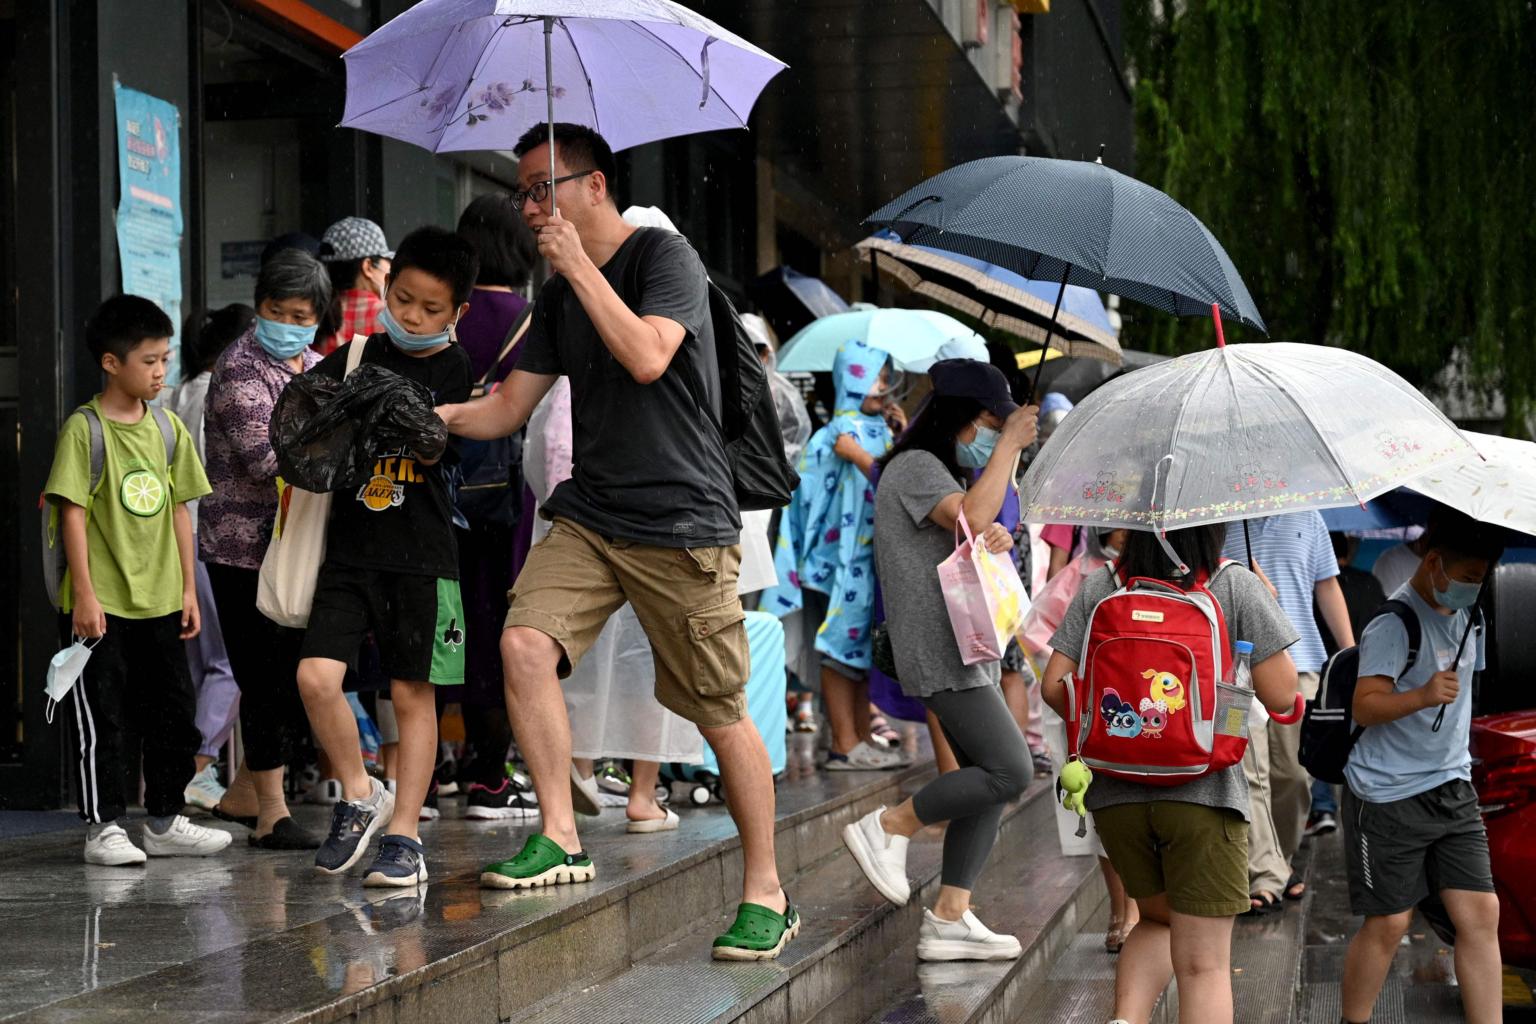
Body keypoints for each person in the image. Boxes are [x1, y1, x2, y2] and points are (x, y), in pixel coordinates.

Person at [436, 121, 795, 961]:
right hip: (593, 514)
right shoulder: (557, 295)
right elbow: (507, 410)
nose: (530, 207)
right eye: (521, 193)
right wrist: (429, 415)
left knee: (718, 711)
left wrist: (579, 269)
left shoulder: (665, 259)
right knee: (523, 643)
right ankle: (561, 836)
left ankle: (768, 892)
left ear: (594, 186)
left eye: (542, 188)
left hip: (681, 520)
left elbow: (645, 355)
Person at [1041, 525, 1300, 1024]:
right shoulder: (1234, 583)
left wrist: (1123, 732)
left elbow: (1056, 687)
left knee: (1156, 920)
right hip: (1205, 796)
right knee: (1204, 966)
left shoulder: (1106, 583)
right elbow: (1283, 695)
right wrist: (1263, 603)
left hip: (1116, 798)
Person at [295, 226, 476, 887]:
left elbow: (440, 449)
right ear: (385, 285)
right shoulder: (356, 353)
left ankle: (405, 835)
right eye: (403, 300)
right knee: (316, 677)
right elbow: (304, 421)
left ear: (457, 312)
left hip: (423, 557)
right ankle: (359, 792)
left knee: (411, 693)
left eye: (431, 309)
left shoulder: (456, 368)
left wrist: (404, 415)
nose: (413, 317)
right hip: (349, 552)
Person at [842, 359, 1039, 961]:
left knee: (987, 776)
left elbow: (973, 525)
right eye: (990, 423)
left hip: (963, 642)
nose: (994, 434)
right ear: (963, 416)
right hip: (937, 645)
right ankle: (890, 825)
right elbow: (972, 515)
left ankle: (951, 914)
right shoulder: (913, 466)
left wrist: (994, 535)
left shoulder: (939, 471)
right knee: (1012, 770)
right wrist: (1009, 446)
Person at [44, 294, 230, 864]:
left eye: (165, 359)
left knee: (172, 713)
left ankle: (166, 819)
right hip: (101, 604)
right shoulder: (85, 430)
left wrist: (186, 590)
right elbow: (71, 513)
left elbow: (180, 511)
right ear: (111, 362)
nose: (160, 371)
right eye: (149, 361)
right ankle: (103, 827)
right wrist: (85, 595)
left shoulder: (168, 428)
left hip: (161, 601)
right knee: (103, 717)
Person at [1340, 513, 1503, 1024]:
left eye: (1481, 579)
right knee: (1389, 922)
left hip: (1451, 785)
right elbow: (1365, 706)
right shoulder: (1394, 623)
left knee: (1481, 914)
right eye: (1469, 577)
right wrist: (1423, 695)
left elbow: (1465, 699)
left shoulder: (1471, 617)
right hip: (1386, 794)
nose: (1474, 588)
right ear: (1434, 563)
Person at [201, 249, 331, 850]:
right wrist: (337, 447)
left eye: (300, 315)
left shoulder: (319, 365)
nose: (287, 323)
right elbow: (266, 458)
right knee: (263, 677)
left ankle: (243, 793)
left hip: (299, 546)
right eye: (277, 310)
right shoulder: (239, 368)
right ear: (259, 307)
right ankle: (272, 815)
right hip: (242, 549)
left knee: (296, 673)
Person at [760, 338, 903, 770]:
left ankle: (859, 737)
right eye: (875, 375)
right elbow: (806, 503)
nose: (883, 385)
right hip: (840, 565)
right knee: (841, 647)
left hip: (871, 562)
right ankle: (843, 741)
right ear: (854, 378)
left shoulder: (881, 431)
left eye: (885, 376)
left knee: (858, 652)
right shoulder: (832, 437)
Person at [449, 191, 537, 816]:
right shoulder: (528, 319)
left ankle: (422, 772)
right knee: (493, 625)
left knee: (434, 622)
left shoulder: (444, 311)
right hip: (503, 492)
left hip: (434, 482)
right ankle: (488, 774)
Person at [1019, 526, 1141, 953]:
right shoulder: (1084, 575)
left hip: (1141, 718)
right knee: (1100, 819)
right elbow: (1036, 633)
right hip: (1093, 716)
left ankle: (1133, 911)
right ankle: (1120, 909)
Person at [1224, 512, 1353, 911]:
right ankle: (1263, 872)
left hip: (1300, 663)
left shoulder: (1309, 518)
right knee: (1250, 774)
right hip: (1235, 669)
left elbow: (1327, 586)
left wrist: (1351, 656)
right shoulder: (1220, 522)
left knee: (1295, 776)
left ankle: (1279, 862)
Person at [163, 304, 253, 811]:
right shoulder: (222, 391)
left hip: (177, 537)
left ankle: (187, 768)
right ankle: (197, 767)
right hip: (213, 534)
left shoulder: (178, 393)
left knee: (199, 664)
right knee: (232, 663)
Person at [1306, 532, 1389, 837]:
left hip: (1328, 673)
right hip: (1368, 669)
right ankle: (1363, 798)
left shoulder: (1318, 587)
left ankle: (1323, 807)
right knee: (1360, 738)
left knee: (1324, 735)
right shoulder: (1370, 582)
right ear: (1349, 552)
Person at [318, 217, 393, 355]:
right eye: (387, 260)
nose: (390, 268)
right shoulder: (389, 316)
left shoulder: (317, 312)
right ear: (368, 267)